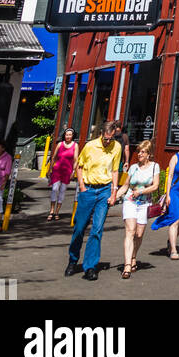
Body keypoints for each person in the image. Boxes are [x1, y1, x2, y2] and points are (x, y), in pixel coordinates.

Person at [65, 119, 121, 281]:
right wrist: (82, 186)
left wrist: (114, 192)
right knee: (79, 228)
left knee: (97, 229)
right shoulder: (90, 146)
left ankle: (90, 266)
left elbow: (115, 170)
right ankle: (73, 261)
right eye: (106, 138)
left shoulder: (116, 147)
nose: (108, 141)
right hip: (88, 189)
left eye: (111, 138)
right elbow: (79, 166)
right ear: (101, 134)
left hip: (104, 190)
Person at [116, 139, 160, 278]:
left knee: (139, 234)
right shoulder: (133, 167)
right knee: (130, 231)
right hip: (130, 201)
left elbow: (155, 186)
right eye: (139, 151)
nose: (139, 154)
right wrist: (114, 196)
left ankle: (133, 256)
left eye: (143, 152)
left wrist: (140, 192)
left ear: (149, 154)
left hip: (144, 203)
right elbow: (126, 185)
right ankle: (127, 265)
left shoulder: (154, 167)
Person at [151, 133, 179, 260]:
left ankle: (170, 241)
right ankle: (173, 250)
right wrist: (168, 195)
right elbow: (170, 176)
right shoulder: (175, 158)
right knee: (175, 219)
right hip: (175, 192)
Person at [48, 127, 78, 221]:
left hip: (67, 171)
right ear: (64, 135)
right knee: (54, 189)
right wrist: (50, 169)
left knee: (62, 191)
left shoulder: (75, 145)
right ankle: (51, 210)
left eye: (70, 135)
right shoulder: (60, 144)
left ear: (72, 136)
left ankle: (57, 211)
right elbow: (54, 157)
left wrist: (74, 171)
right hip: (57, 169)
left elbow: (76, 159)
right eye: (66, 134)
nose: (68, 136)